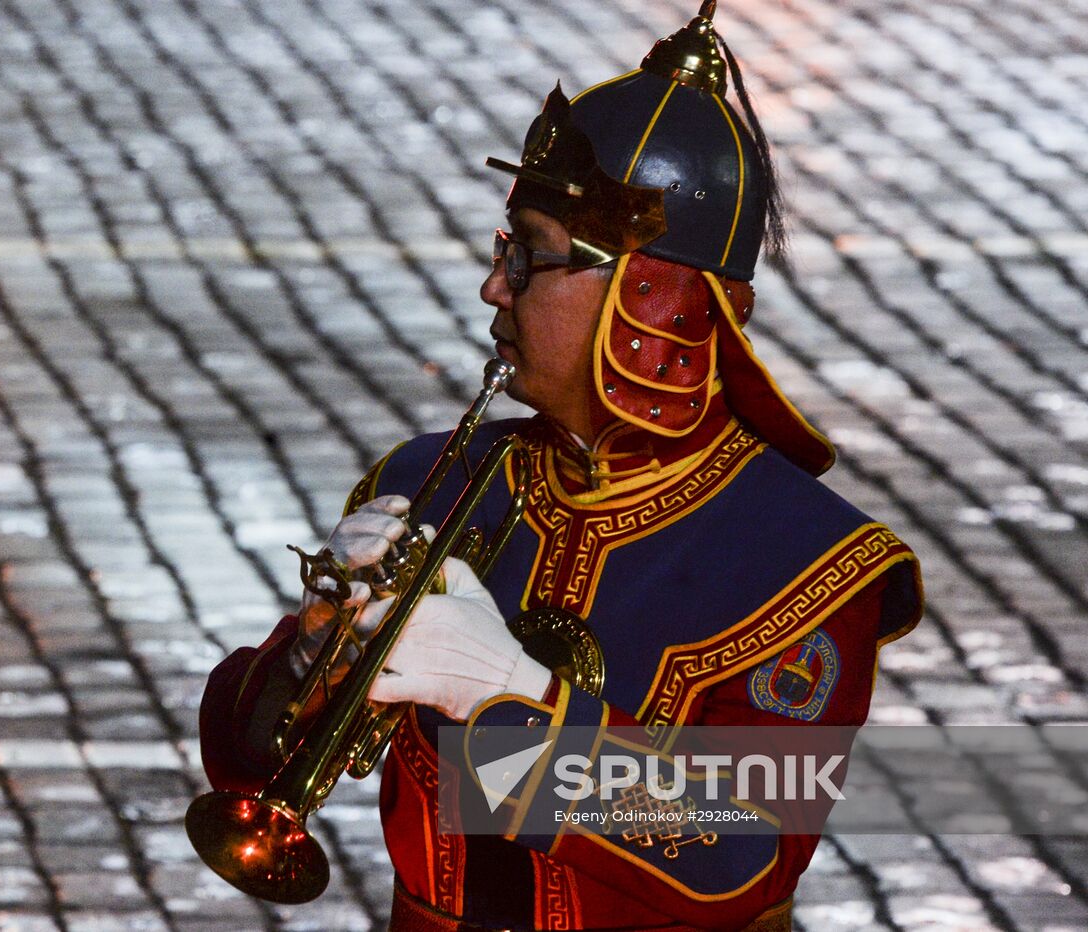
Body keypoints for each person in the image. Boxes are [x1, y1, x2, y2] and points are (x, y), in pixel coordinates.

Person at [195, 3, 923, 929]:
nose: (494, 287)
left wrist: (511, 700)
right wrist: (313, 655)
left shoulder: (810, 561)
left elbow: (740, 855)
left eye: (532, 259)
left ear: (647, 297)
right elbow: (245, 761)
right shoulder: (435, 477)